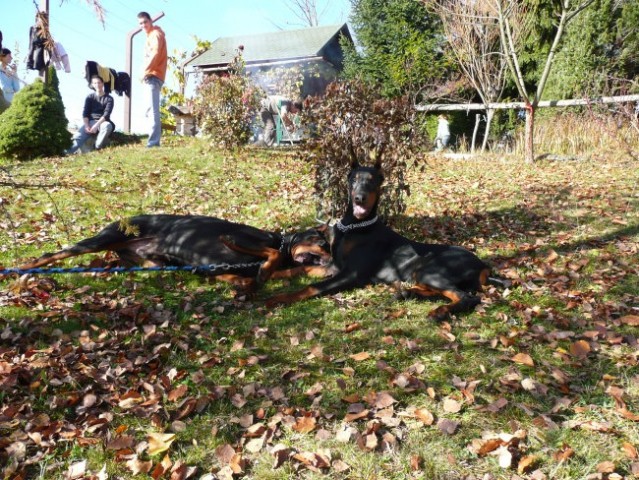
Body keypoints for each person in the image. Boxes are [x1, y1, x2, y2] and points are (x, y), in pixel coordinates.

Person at [138, 11, 167, 148]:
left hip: (153, 75)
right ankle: (152, 141)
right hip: (152, 75)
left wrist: (145, 71)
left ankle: (153, 143)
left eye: (145, 22)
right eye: (140, 23)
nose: (143, 25)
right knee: (149, 110)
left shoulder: (155, 34)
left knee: (153, 110)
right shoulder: (151, 35)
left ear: (150, 21)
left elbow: (155, 53)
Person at [66, 75, 114, 155]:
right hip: (90, 122)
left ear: (102, 84)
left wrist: (96, 126)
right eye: (95, 83)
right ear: (92, 85)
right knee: (78, 136)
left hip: (102, 122)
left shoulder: (109, 98)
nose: (97, 85)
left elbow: (106, 114)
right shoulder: (89, 97)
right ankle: (66, 153)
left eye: (99, 82)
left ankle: (98, 147)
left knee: (107, 126)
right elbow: (85, 113)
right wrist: (86, 125)